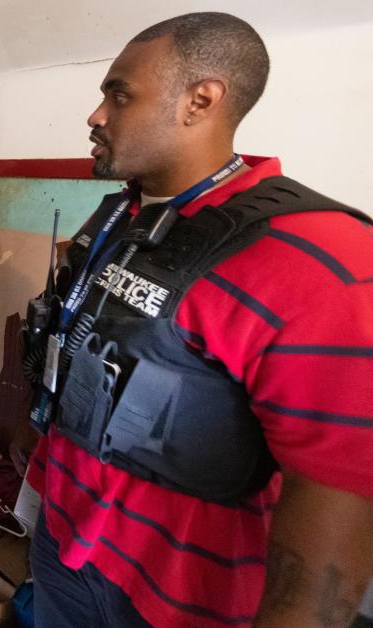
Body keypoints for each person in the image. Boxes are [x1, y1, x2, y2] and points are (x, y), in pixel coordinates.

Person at [19, 12, 373, 627]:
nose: (95, 115)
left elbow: (334, 521)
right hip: (65, 550)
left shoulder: (320, 260)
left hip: (180, 598)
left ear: (200, 101)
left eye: (119, 94)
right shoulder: (114, 220)